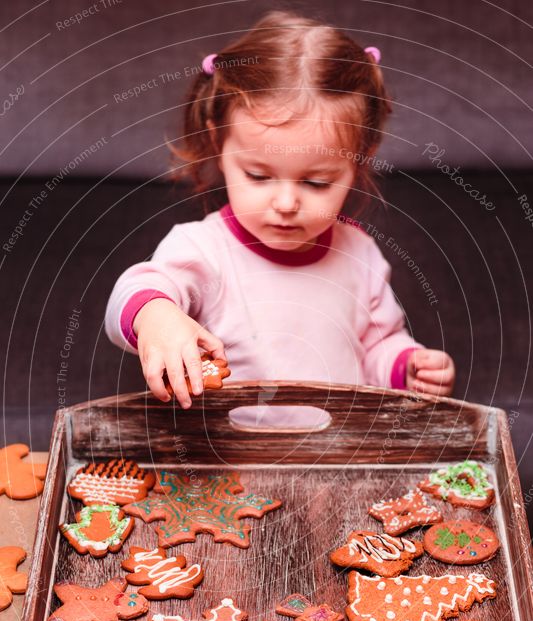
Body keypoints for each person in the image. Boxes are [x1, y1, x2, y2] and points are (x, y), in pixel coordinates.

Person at [105, 10, 455, 427]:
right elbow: (137, 289)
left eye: (317, 182)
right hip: (227, 467)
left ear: (360, 162)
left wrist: (407, 367)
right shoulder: (203, 248)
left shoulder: (359, 253)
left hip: (337, 460)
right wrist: (156, 317)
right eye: (259, 176)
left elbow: (374, 348)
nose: (286, 202)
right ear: (219, 142)